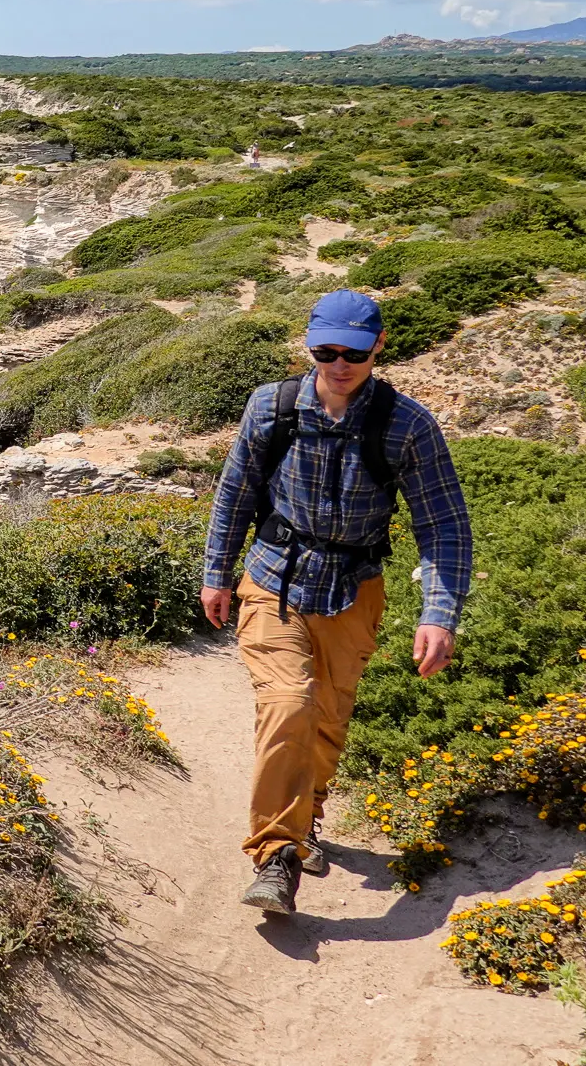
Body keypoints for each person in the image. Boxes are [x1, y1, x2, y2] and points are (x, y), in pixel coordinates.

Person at [201, 288, 472, 916]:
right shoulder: (271, 407)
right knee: (290, 703)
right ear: (310, 345)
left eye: (354, 351)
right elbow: (234, 493)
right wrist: (217, 573)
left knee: (327, 716)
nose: (340, 364)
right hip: (274, 577)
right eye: (326, 351)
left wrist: (439, 612)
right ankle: (277, 856)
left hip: (354, 589)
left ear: (379, 346)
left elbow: (444, 525)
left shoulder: (408, 425)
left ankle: (307, 818)